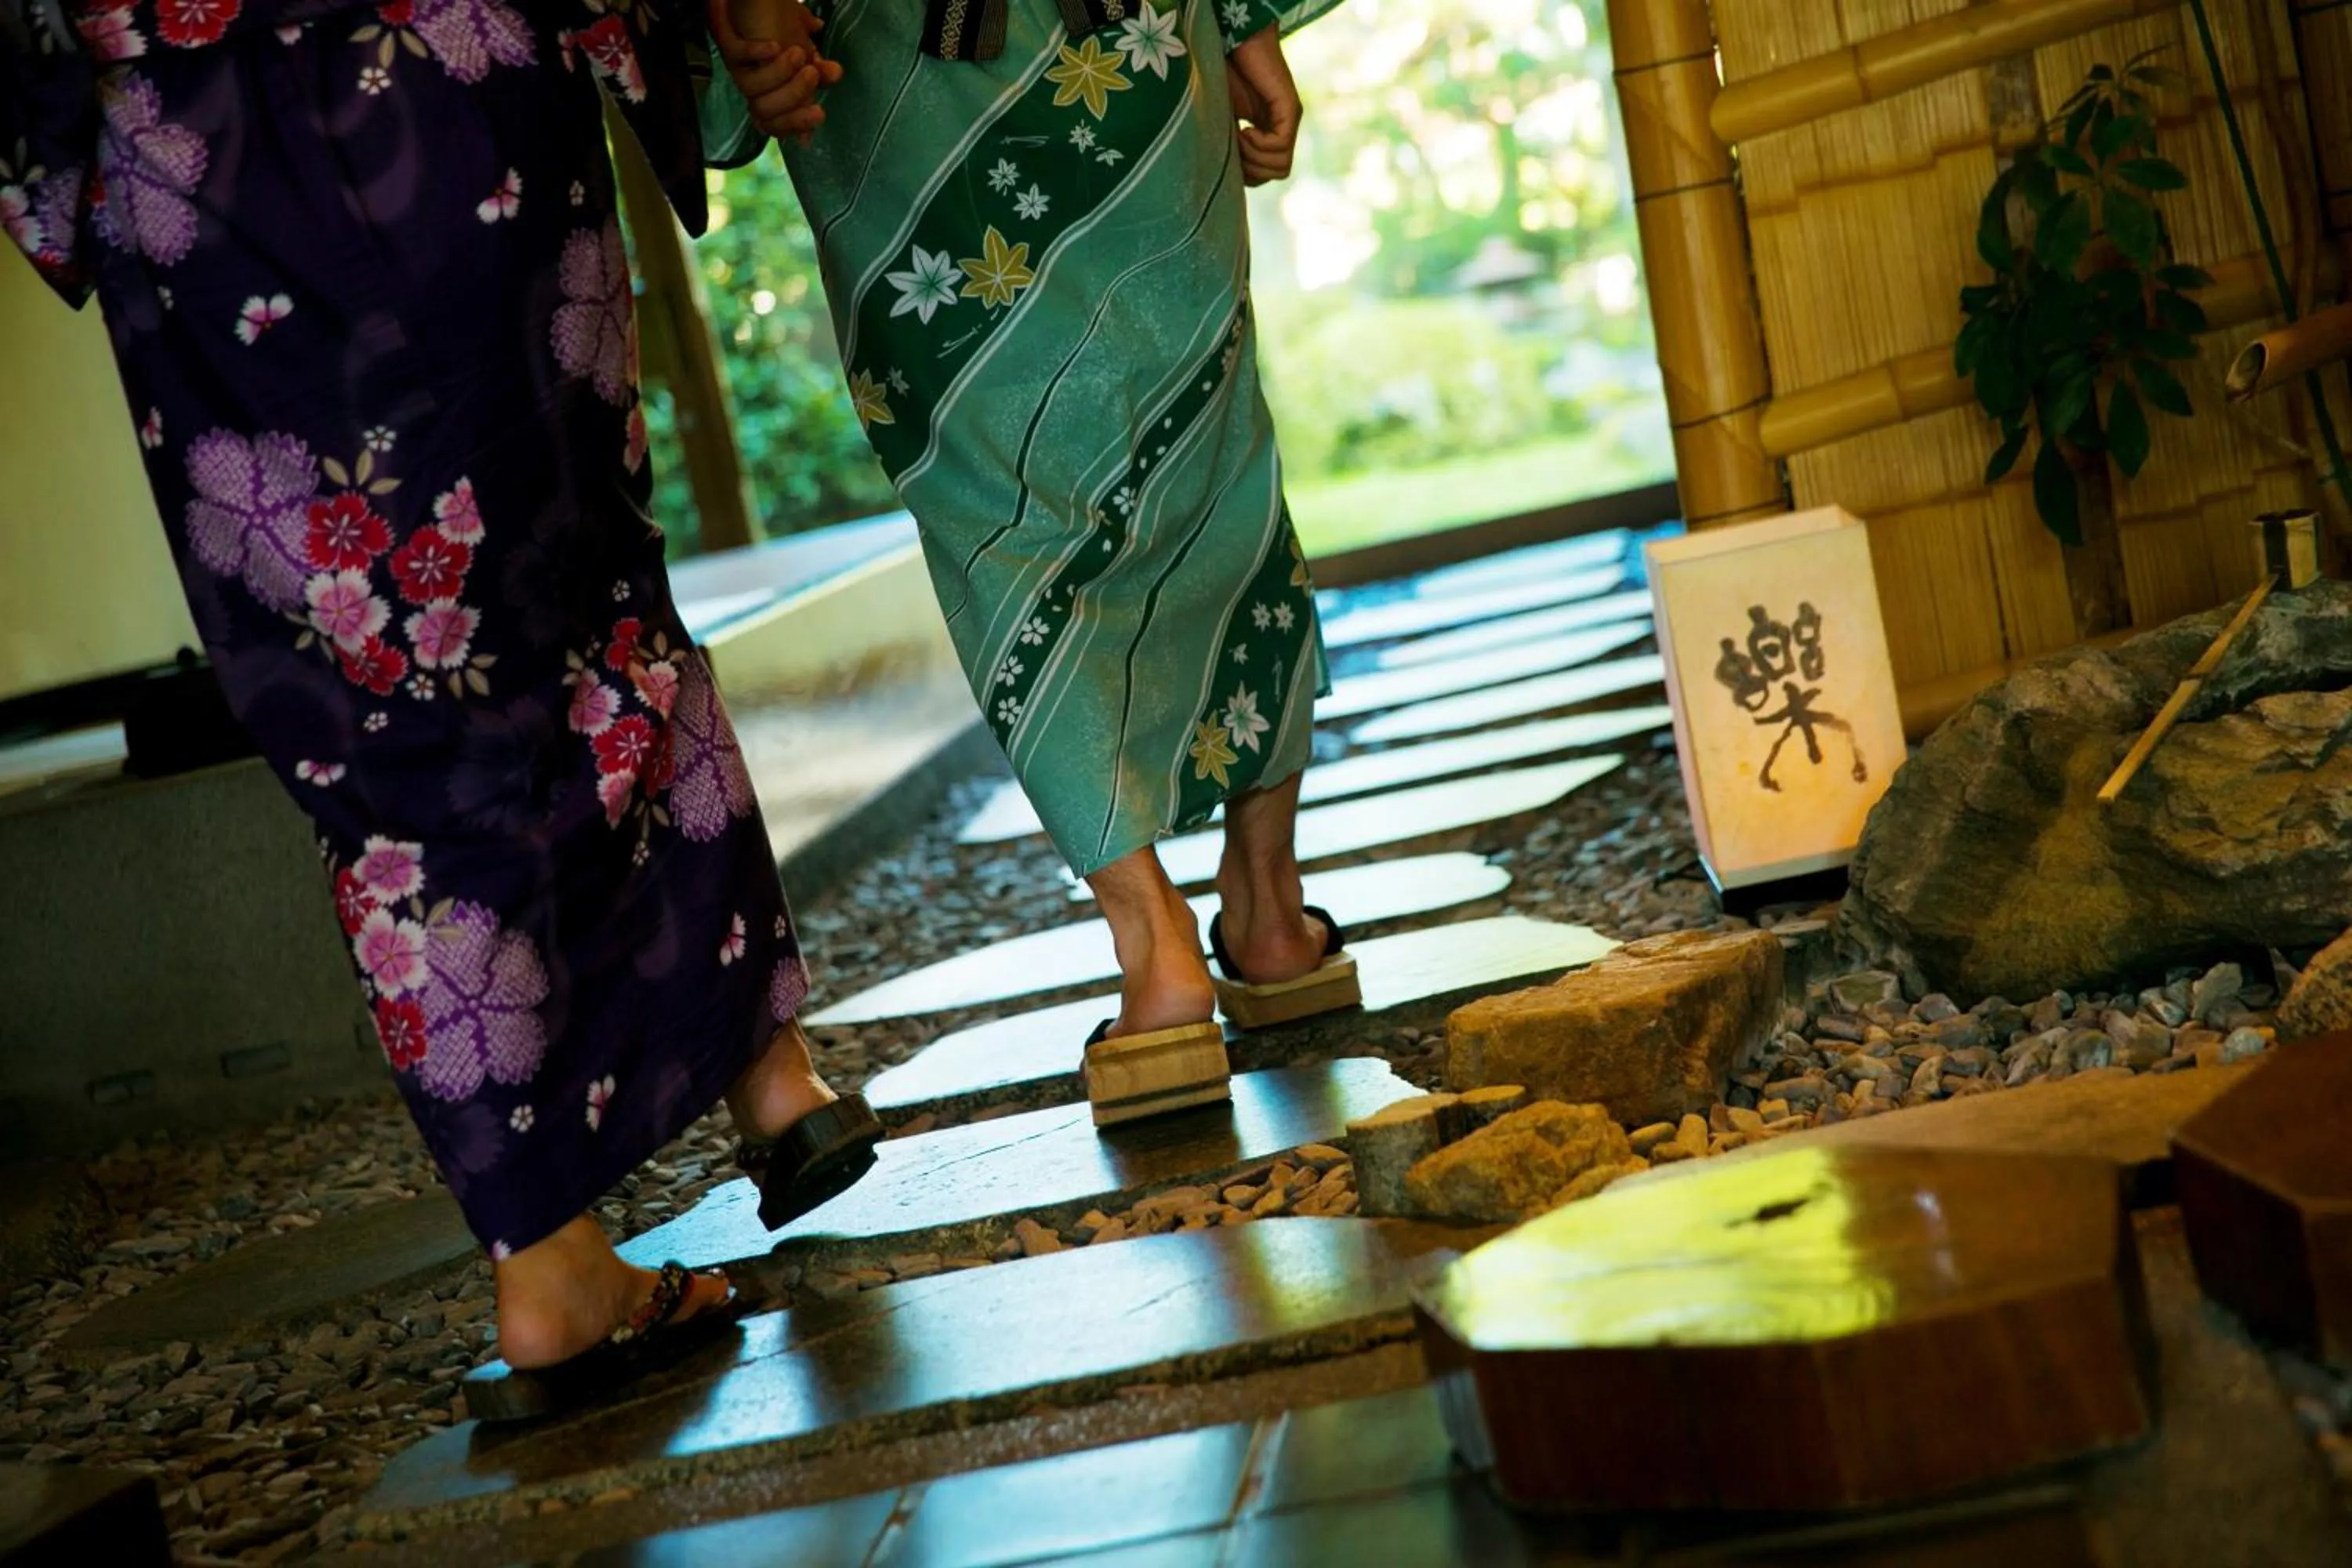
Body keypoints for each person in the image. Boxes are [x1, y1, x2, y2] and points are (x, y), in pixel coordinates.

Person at [2, 0, 867, 1419]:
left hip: (191, 160)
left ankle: (547, 1261)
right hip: (448, 79)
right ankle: (773, 1078)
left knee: (375, 715)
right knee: (589, 582)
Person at [707, 0, 1358, 1125]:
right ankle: (1267, 907)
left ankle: (1158, 953)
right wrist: (1247, 20)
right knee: (1204, 434)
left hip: (889, 83)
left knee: (996, 511)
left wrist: (741, 36)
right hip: (1122, 50)